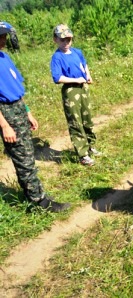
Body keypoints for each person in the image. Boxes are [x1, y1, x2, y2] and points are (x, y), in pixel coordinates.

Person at [0, 21, 70, 213]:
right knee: (23, 159)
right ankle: (39, 202)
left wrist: (28, 112)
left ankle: (35, 195)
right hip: (6, 112)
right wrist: (4, 125)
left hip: (18, 109)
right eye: (1, 36)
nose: (4, 39)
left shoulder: (4, 57)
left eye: (5, 35)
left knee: (28, 155)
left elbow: (16, 89)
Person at [50, 24, 101, 166]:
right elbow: (57, 78)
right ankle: (82, 154)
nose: (66, 43)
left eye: (68, 40)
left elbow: (84, 64)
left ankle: (90, 146)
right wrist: (75, 79)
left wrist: (88, 75)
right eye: (62, 40)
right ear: (55, 40)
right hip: (70, 91)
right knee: (75, 122)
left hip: (83, 88)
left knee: (87, 119)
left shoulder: (77, 52)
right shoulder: (57, 57)